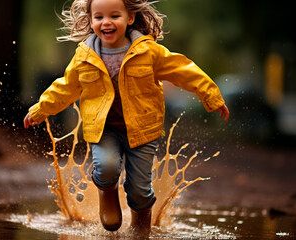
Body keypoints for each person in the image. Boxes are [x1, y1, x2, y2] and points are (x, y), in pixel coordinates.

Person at [24, 0, 230, 235]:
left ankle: (140, 229)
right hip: (103, 130)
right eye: (99, 17)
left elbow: (183, 70)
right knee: (106, 167)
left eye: (114, 15)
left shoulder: (148, 51)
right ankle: (107, 191)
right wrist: (40, 109)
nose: (106, 22)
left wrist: (211, 96)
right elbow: (66, 87)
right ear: (91, 21)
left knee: (139, 190)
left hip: (142, 131)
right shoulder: (84, 56)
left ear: (130, 18)